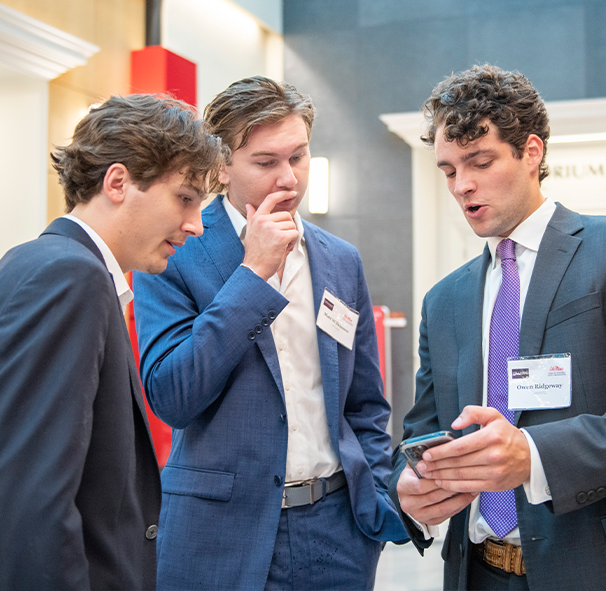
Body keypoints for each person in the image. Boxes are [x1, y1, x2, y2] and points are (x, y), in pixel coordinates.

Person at [134, 76, 407, 591]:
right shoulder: (173, 250)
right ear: (222, 167)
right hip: (219, 535)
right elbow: (173, 397)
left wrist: (373, 501)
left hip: (337, 532)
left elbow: (365, 402)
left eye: (298, 157)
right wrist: (252, 276)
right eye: (265, 163)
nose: (289, 179)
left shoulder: (340, 260)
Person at [389, 64, 606, 591]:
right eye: (447, 170)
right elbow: (423, 432)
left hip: (596, 571)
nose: (462, 186)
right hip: (477, 572)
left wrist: (534, 456)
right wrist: (411, 486)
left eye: (479, 162)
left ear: (531, 152)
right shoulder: (443, 301)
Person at [0, 93, 222, 591]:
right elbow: (34, 495)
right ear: (118, 181)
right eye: (185, 197)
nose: (195, 224)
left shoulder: (38, 262)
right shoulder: (71, 276)